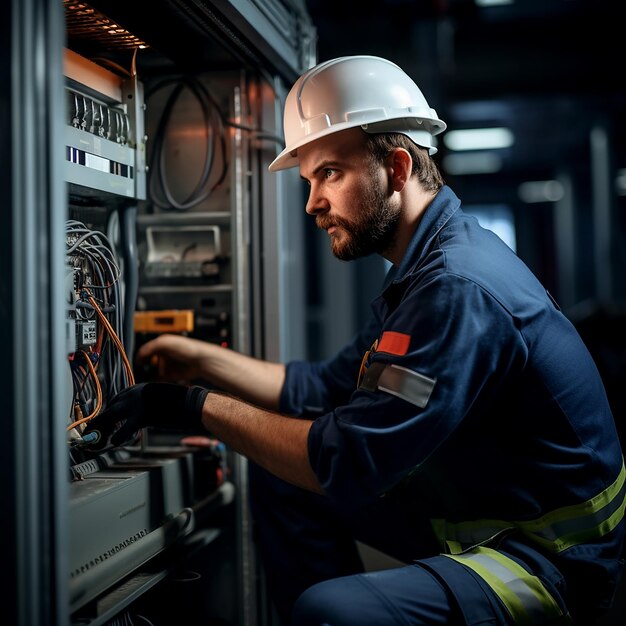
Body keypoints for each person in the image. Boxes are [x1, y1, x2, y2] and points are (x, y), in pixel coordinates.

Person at [83, 55, 625, 626]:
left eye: (329, 174)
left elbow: (344, 462)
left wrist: (191, 407)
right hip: (492, 507)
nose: (313, 201)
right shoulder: (423, 271)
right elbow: (323, 388)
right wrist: (201, 361)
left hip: (550, 559)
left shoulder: (455, 289)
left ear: (395, 167)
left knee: (330, 611)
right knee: (282, 482)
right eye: (309, 180)